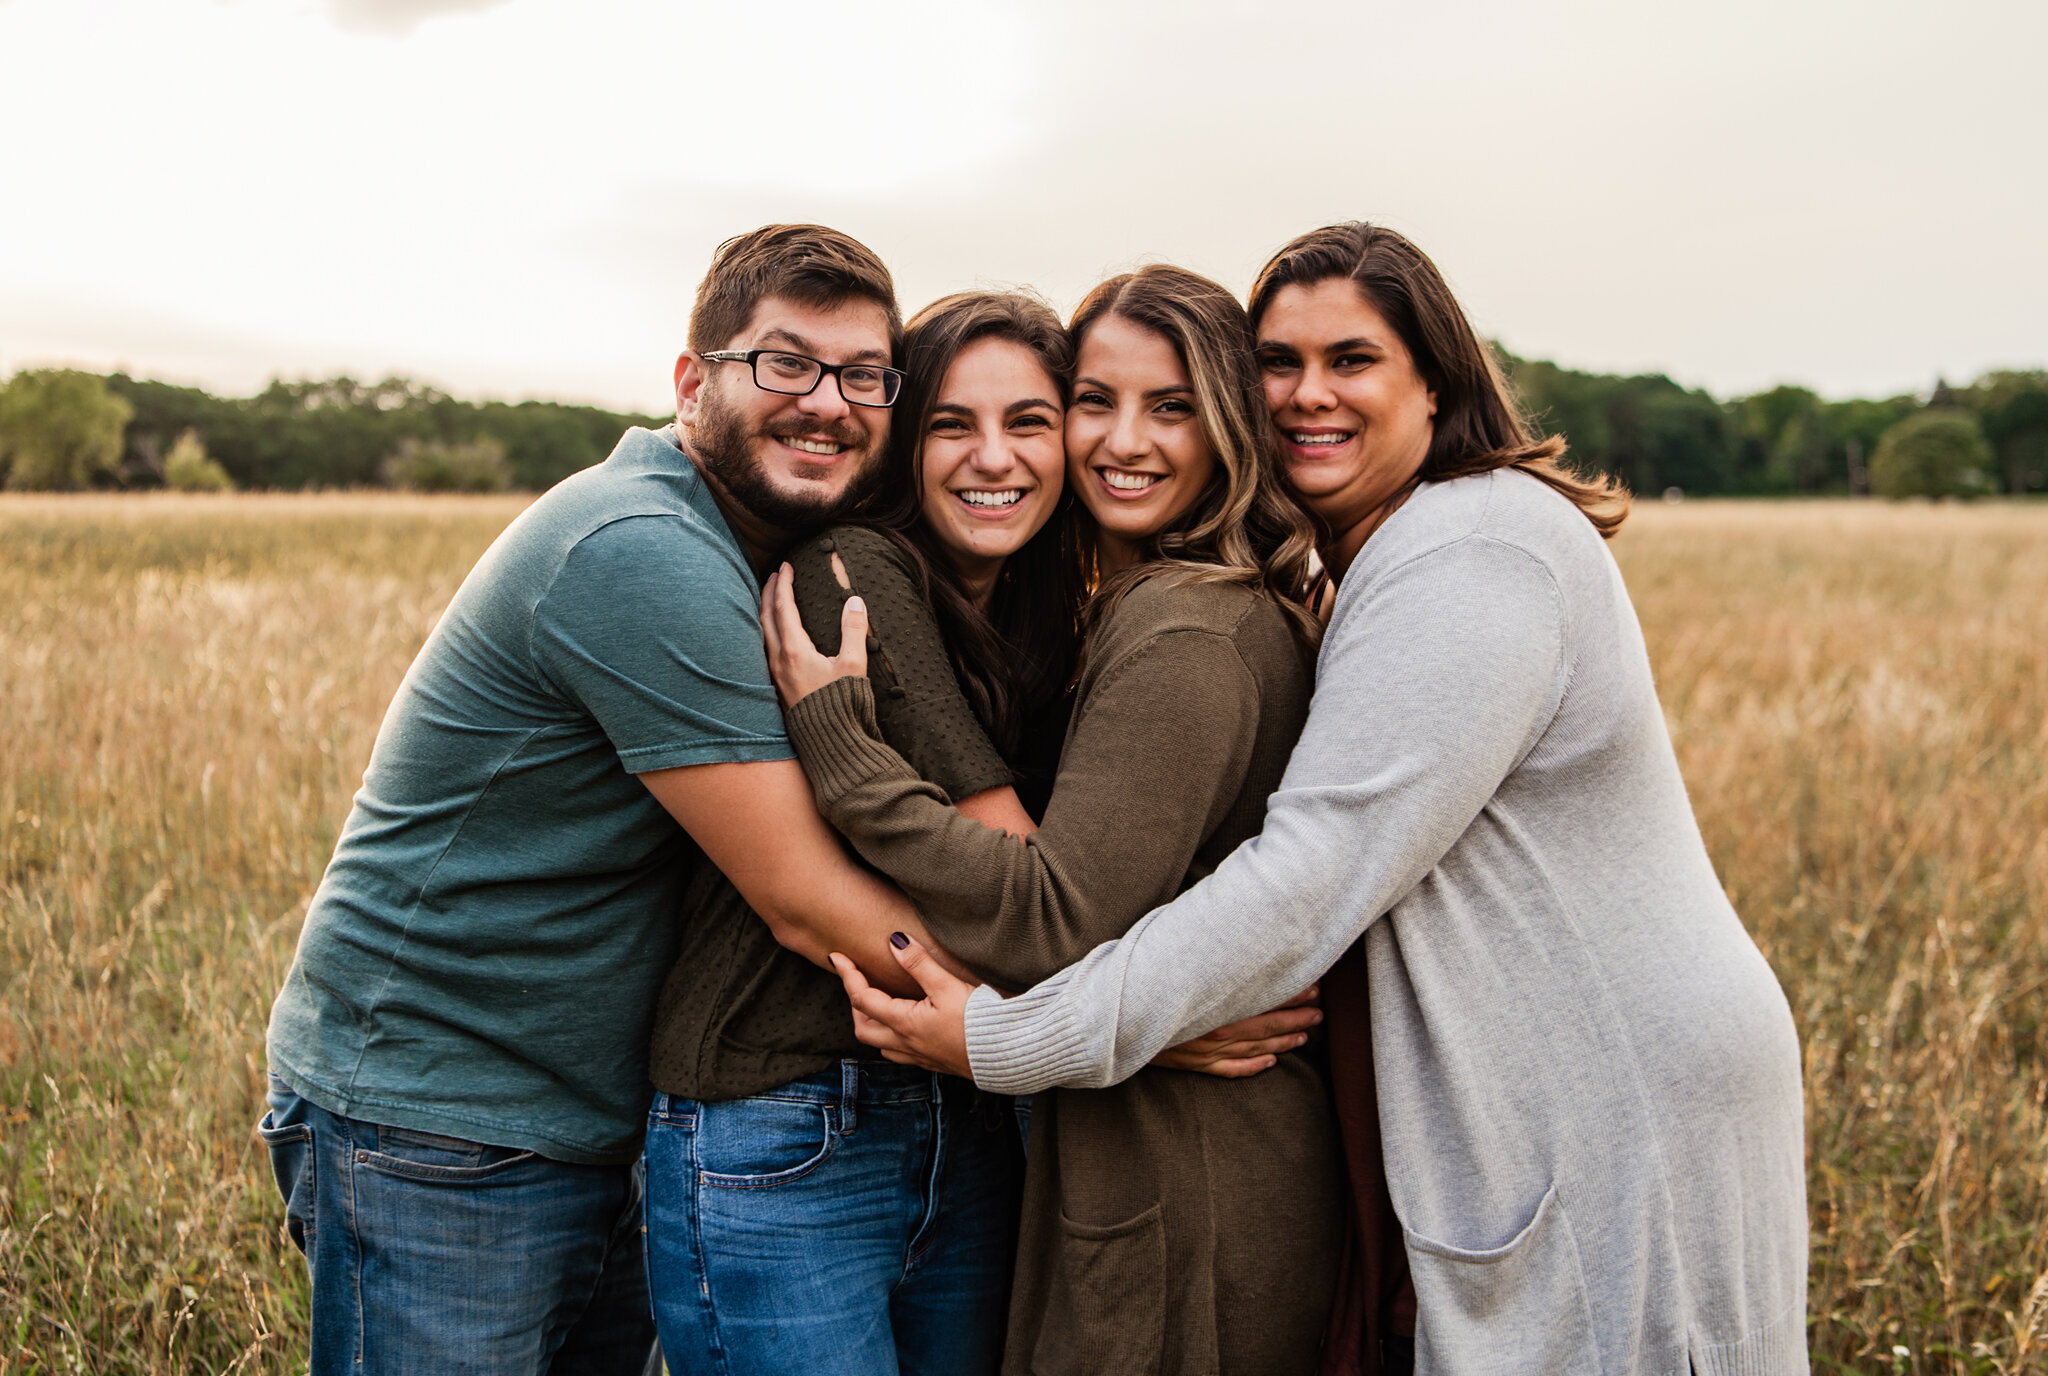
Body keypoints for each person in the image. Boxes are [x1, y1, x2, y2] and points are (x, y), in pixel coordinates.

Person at [833, 224, 1812, 1376]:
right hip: (1543, 1075)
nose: (1306, 394)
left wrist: (1007, 1036)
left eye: (1350, 360)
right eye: (1277, 363)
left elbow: (1304, 880)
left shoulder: (1471, 551)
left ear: (1434, 378)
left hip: (1604, 1080)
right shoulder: (1372, 557)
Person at [258, 224, 971, 1375]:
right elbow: (803, 898)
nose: (827, 402)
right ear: (692, 380)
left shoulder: (747, 540)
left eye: (861, 375)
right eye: (783, 363)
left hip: (575, 1115)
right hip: (440, 1116)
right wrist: (1086, 1025)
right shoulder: (638, 546)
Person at [764, 265, 1345, 1376]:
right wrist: (1157, 1013)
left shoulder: (1185, 629)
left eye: (1171, 405)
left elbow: (1049, 920)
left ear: (1228, 424)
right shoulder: (1131, 609)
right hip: (1151, 1146)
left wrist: (844, 755)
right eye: (1095, 400)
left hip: (1192, 1178)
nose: (1124, 440)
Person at [638, 291, 1079, 1375]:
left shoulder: (1035, 603)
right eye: (949, 423)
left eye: (1028, 420)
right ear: (902, 439)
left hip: (961, 1111)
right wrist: (1154, 1015)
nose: (994, 457)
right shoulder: (851, 569)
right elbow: (1027, 887)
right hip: (784, 1117)